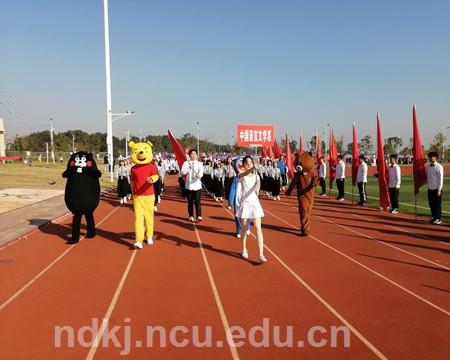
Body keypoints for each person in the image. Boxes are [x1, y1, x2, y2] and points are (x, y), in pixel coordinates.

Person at [236, 156, 267, 263]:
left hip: (254, 203)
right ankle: (244, 249)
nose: (249, 164)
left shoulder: (256, 176)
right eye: (247, 162)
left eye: (250, 162)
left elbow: (257, 186)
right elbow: (245, 173)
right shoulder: (241, 174)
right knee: (244, 227)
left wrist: (257, 189)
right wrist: (252, 168)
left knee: (258, 228)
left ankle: (261, 254)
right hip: (245, 203)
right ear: (243, 164)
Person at [181, 149, 204, 222]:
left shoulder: (199, 163)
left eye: (195, 154)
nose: (193, 155)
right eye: (192, 154)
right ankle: (191, 215)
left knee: (197, 202)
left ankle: (199, 216)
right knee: (190, 202)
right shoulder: (186, 163)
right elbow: (182, 172)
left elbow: (201, 173)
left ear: (197, 155)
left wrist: (198, 176)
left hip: (197, 186)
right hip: (189, 186)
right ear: (190, 155)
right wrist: (188, 169)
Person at [427, 152, 444, 225]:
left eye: (431, 157)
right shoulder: (428, 166)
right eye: (429, 157)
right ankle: (434, 216)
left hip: (436, 189)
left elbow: (441, 179)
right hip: (430, 188)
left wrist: (439, 189)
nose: (430, 158)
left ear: (435, 157)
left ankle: (438, 218)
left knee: (437, 204)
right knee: (431, 204)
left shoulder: (439, 166)